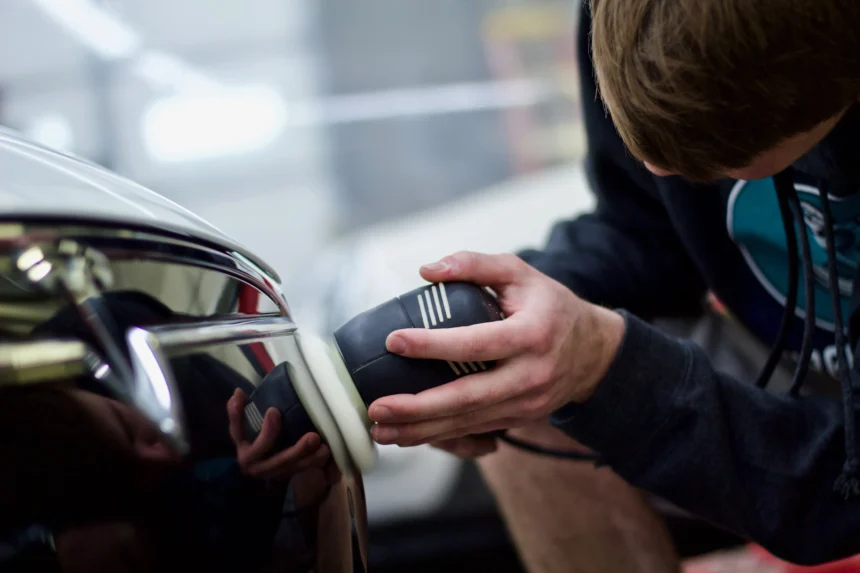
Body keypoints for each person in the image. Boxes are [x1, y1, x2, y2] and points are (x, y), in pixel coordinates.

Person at [365, 0, 860, 566]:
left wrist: (608, 367)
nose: (660, 170)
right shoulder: (625, 16)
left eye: (717, 151)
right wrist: (504, 311)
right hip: (785, 350)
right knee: (516, 371)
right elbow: (644, 227)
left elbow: (842, 496)